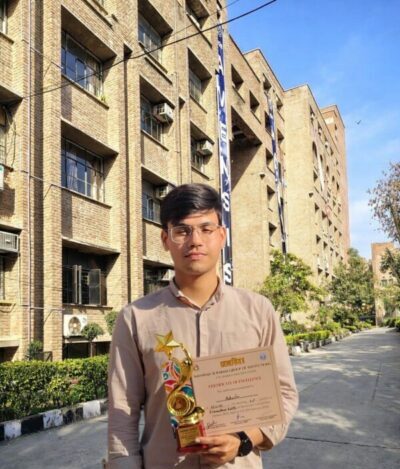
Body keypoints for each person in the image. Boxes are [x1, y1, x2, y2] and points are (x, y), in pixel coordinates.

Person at [108, 183, 298, 468]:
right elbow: (122, 409)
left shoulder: (258, 311)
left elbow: (284, 394)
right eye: (182, 231)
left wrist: (244, 440)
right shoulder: (136, 318)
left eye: (206, 229)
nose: (195, 240)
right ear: (165, 239)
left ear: (222, 236)